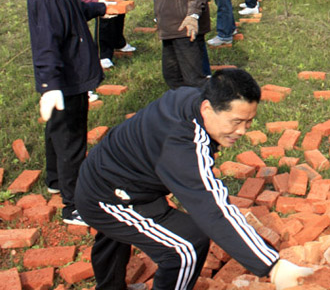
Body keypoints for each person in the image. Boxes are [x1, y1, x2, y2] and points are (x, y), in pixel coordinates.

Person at [74, 69, 314, 290]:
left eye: (249, 121)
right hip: (108, 197)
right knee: (186, 247)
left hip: (110, 173)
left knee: (118, 231)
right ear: (208, 109)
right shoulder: (181, 144)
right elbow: (212, 208)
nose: (242, 130)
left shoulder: (195, 100)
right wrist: (272, 266)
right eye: (236, 122)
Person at [29, 0, 110, 226]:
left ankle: (55, 181)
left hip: (70, 75)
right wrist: (50, 85)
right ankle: (74, 206)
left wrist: (102, 9)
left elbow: (75, 11)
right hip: (67, 80)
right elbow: (46, 44)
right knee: (71, 140)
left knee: (58, 133)